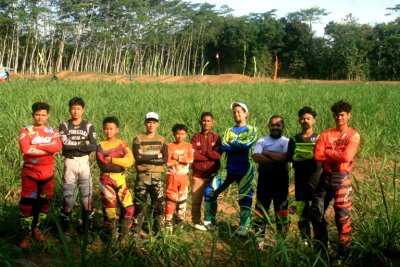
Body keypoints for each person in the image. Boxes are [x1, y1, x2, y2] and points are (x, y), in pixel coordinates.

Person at [310, 100, 360, 262]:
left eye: (342, 115)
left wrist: (329, 151)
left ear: (348, 116)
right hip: (325, 177)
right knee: (316, 213)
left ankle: (343, 253)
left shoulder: (353, 135)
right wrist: (336, 154)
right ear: (333, 116)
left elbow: (347, 157)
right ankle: (321, 248)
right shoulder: (326, 134)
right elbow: (317, 155)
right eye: (336, 115)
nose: (339, 118)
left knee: (342, 217)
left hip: (342, 179)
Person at [18, 102, 62, 249]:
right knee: (27, 204)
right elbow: (25, 149)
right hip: (30, 173)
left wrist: (36, 146)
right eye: (37, 114)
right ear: (33, 115)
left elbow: (57, 147)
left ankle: (37, 229)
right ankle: (26, 233)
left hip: (47, 174)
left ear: (47, 115)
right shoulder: (26, 130)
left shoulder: (53, 131)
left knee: (44, 204)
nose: (40, 117)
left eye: (43, 115)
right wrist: (47, 149)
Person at [210, 102, 258, 236]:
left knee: (245, 198)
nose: (236, 114)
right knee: (210, 190)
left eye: (239, 111)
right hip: (229, 169)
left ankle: (244, 226)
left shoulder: (252, 129)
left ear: (246, 114)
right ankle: (210, 221)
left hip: (245, 170)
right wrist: (238, 144)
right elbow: (224, 146)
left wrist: (233, 143)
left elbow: (247, 144)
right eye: (234, 112)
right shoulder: (228, 131)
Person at [59, 97, 97, 236]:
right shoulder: (64, 125)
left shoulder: (88, 126)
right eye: (73, 108)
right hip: (70, 162)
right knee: (68, 197)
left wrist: (77, 145)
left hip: (84, 163)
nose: (75, 111)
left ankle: (86, 228)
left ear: (83, 110)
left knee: (86, 198)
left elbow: (93, 146)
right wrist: (83, 144)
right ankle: (66, 230)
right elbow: (65, 145)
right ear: (70, 110)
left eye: (78, 108)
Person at [96, 116, 134, 243]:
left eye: (111, 129)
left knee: (129, 207)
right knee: (110, 210)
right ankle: (109, 239)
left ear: (117, 130)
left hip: (121, 180)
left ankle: (123, 236)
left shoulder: (122, 144)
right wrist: (120, 161)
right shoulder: (100, 146)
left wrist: (112, 159)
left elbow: (129, 161)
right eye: (106, 129)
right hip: (106, 179)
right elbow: (103, 164)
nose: (108, 131)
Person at [287, 107, 322, 240]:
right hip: (300, 183)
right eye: (302, 118)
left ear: (314, 121)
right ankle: (305, 242)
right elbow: (290, 157)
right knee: (302, 214)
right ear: (299, 120)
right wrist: (309, 154)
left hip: (316, 182)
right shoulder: (294, 139)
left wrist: (300, 155)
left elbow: (319, 156)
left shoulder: (319, 138)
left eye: (308, 118)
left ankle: (320, 243)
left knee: (317, 213)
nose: (305, 120)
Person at [252, 115, 290, 238]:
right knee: (260, 209)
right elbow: (256, 157)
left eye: (278, 125)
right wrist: (277, 158)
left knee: (282, 210)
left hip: (281, 182)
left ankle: (282, 240)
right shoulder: (262, 141)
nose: (275, 127)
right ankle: (259, 238)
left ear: (283, 126)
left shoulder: (286, 141)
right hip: (264, 182)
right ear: (269, 126)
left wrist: (266, 152)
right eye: (272, 125)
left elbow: (284, 157)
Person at [132, 112, 168, 237]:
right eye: (149, 122)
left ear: (157, 124)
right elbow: (138, 158)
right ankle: (136, 232)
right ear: (145, 123)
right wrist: (155, 156)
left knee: (158, 205)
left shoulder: (162, 140)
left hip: (157, 177)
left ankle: (157, 232)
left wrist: (145, 156)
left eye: (154, 122)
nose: (151, 125)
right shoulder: (138, 139)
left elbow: (164, 159)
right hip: (142, 177)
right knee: (139, 205)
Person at [190, 112, 221, 231]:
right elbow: (194, 156)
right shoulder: (195, 137)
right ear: (200, 122)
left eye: (208, 121)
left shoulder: (217, 138)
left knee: (211, 199)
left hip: (212, 175)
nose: (206, 123)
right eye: (204, 121)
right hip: (198, 175)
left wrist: (203, 153)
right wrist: (209, 155)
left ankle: (211, 221)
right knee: (196, 200)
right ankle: (196, 222)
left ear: (212, 123)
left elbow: (218, 155)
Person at [164, 124, 194, 232]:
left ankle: (180, 222)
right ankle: (168, 223)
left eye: (182, 134)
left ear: (186, 135)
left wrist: (177, 157)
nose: (180, 136)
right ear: (173, 134)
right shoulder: (169, 146)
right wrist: (182, 159)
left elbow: (190, 160)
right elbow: (167, 162)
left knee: (182, 199)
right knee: (171, 199)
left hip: (183, 177)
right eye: (177, 134)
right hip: (172, 176)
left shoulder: (189, 146)